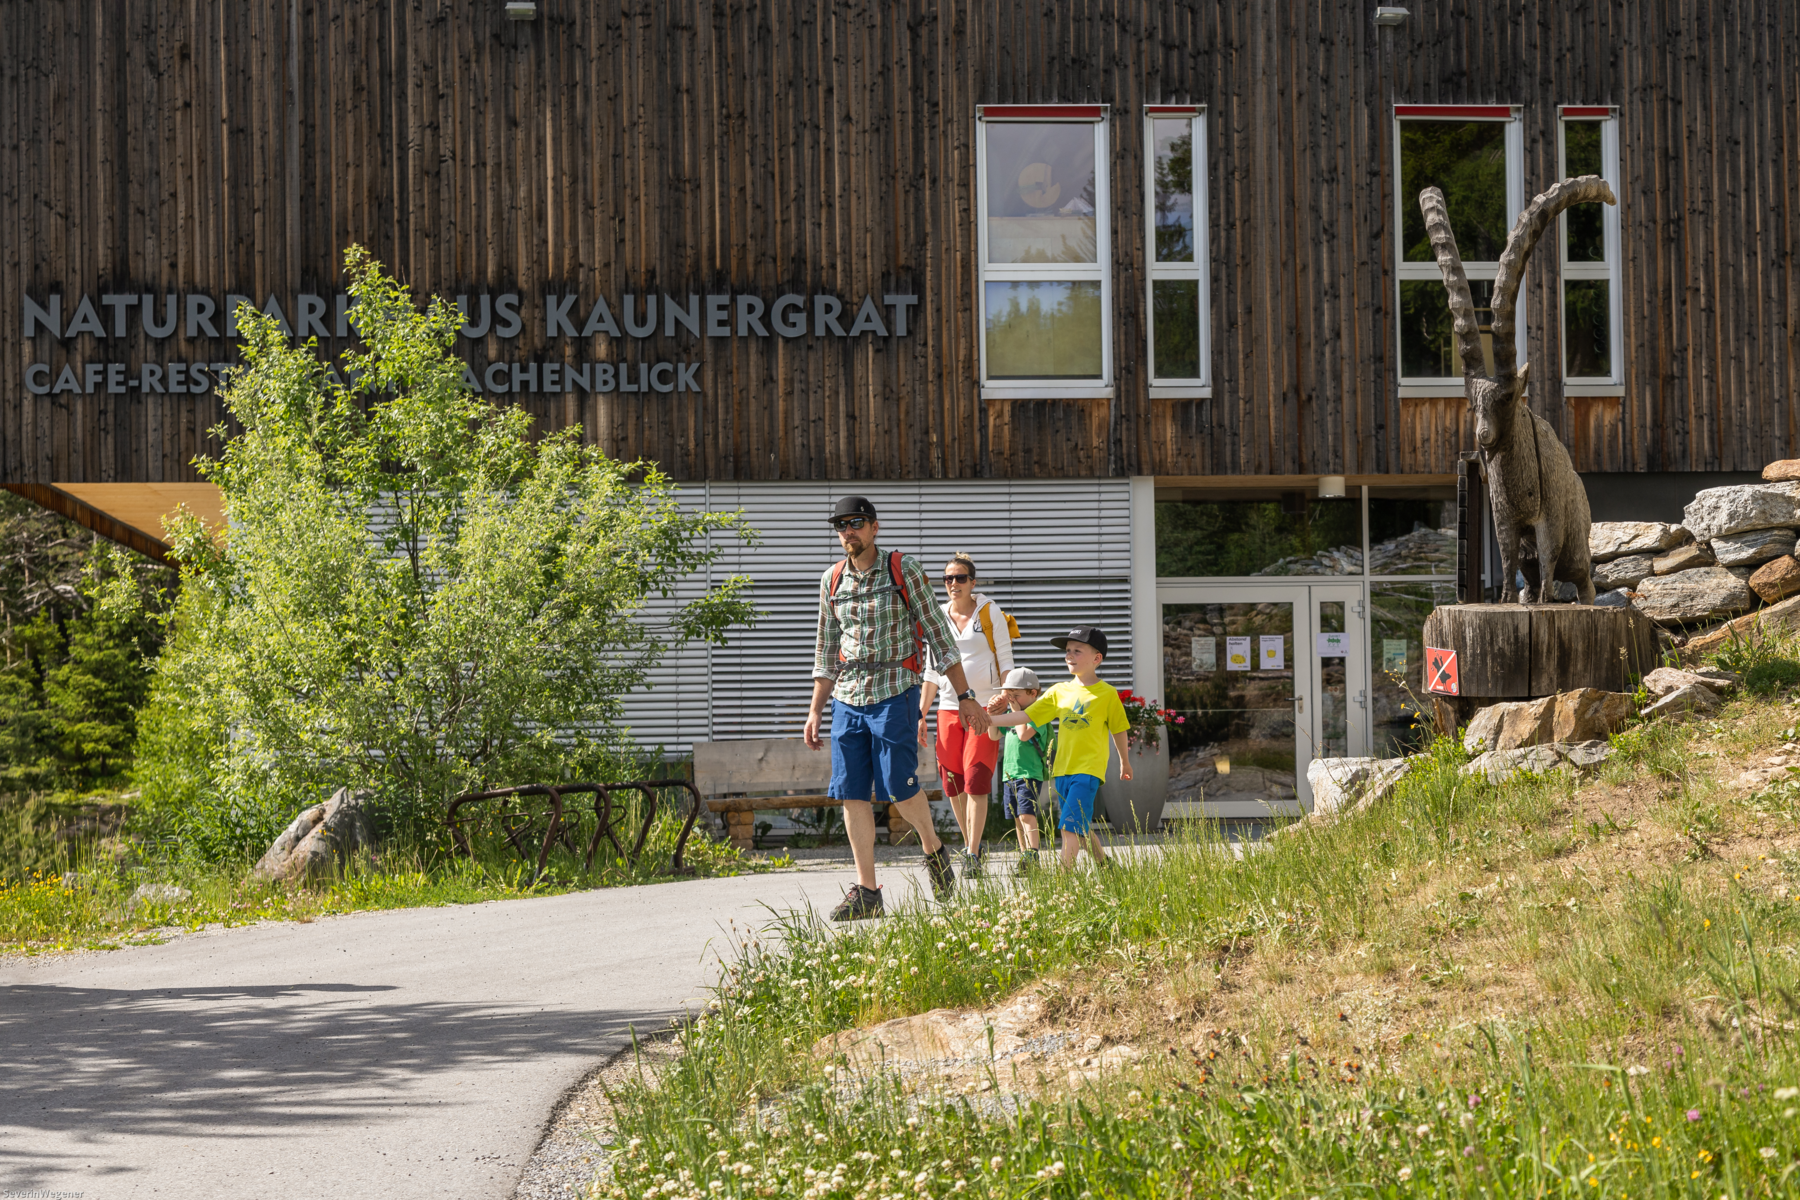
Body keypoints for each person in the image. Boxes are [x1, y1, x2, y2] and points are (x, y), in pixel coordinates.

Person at [803, 495, 991, 921]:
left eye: (856, 523)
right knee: (851, 792)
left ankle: (933, 846)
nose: (848, 531)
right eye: (841, 525)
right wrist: (815, 710)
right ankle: (868, 892)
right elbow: (825, 649)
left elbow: (939, 635)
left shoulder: (902, 569)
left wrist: (965, 696)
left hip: (895, 690)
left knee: (899, 787)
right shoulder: (831, 580)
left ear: (874, 527)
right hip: (848, 696)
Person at [986, 625, 1129, 870]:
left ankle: (1064, 879)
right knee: (1078, 827)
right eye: (1067, 651)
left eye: (1077, 650)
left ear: (1097, 659)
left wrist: (1124, 761)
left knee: (1069, 826)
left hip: (1088, 770)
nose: (1069, 655)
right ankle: (1107, 867)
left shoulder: (1107, 694)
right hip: (1062, 770)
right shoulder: (1059, 692)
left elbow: (1119, 729)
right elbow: (1026, 716)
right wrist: (990, 720)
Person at [918, 552, 1015, 876]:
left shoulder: (989, 612)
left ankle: (972, 854)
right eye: (948, 578)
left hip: (984, 706)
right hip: (948, 708)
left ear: (972, 582)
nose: (953, 583)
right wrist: (921, 713)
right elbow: (932, 671)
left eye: (960, 578)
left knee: (975, 779)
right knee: (954, 783)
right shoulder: (938, 616)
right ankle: (970, 843)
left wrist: (1005, 695)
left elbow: (1006, 658)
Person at [988, 666, 1052, 874]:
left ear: (1033, 693)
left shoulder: (1038, 714)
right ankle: (1024, 855)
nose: (1012, 700)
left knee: (1026, 814)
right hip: (1010, 773)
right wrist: (992, 715)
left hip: (1028, 773)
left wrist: (1015, 713)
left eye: (1016, 696)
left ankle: (1033, 853)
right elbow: (994, 736)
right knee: (1017, 816)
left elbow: (1024, 735)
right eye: (1009, 696)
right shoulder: (1010, 714)